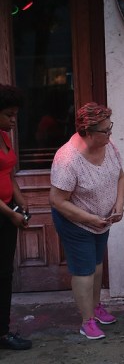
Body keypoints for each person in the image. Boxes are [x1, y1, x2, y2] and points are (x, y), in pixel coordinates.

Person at [49, 102, 124, 340]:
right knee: (84, 270)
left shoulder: (108, 146)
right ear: (89, 132)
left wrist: (119, 204)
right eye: (105, 129)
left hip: (102, 220)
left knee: (97, 264)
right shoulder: (68, 159)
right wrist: (91, 218)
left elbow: (121, 177)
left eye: (109, 126)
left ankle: (95, 307)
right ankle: (87, 321)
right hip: (76, 222)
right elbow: (57, 200)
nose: (110, 132)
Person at [0, 84, 32, 350]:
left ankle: (3, 331)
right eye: (9, 114)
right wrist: (10, 214)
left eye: (16, 114)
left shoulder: (6, 138)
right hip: (2, 214)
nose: (13, 120)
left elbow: (9, 174)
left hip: (8, 211)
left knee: (4, 274)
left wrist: (20, 202)